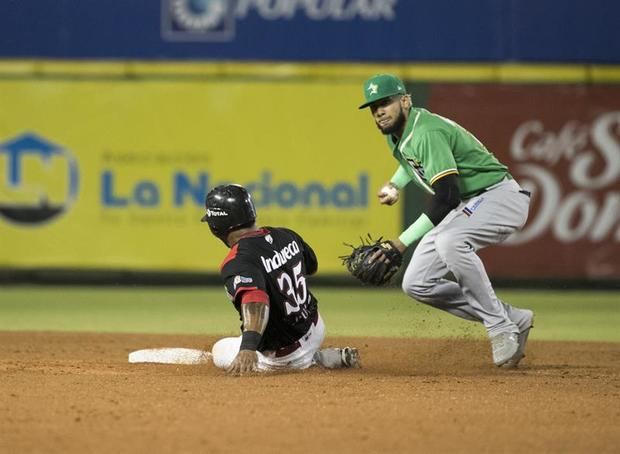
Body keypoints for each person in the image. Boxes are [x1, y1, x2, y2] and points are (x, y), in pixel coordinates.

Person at [358, 73, 534, 368]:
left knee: (452, 241)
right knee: (417, 283)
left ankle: (500, 328)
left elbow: (447, 197)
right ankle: (512, 318)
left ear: (405, 101)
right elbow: (410, 163)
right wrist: (395, 184)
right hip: (469, 203)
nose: (379, 112)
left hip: (499, 196)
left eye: (385, 103)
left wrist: (400, 244)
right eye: (373, 107)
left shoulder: (426, 132)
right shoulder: (396, 135)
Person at [201, 184, 360, 375]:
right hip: (315, 327)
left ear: (216, 226)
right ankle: (317, 356)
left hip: (285, 356)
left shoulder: (237, 260)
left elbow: (256, 301)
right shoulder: (286, 234)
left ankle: (312, 360)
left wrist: (248, 348)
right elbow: (312, 266)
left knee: (219, 349)